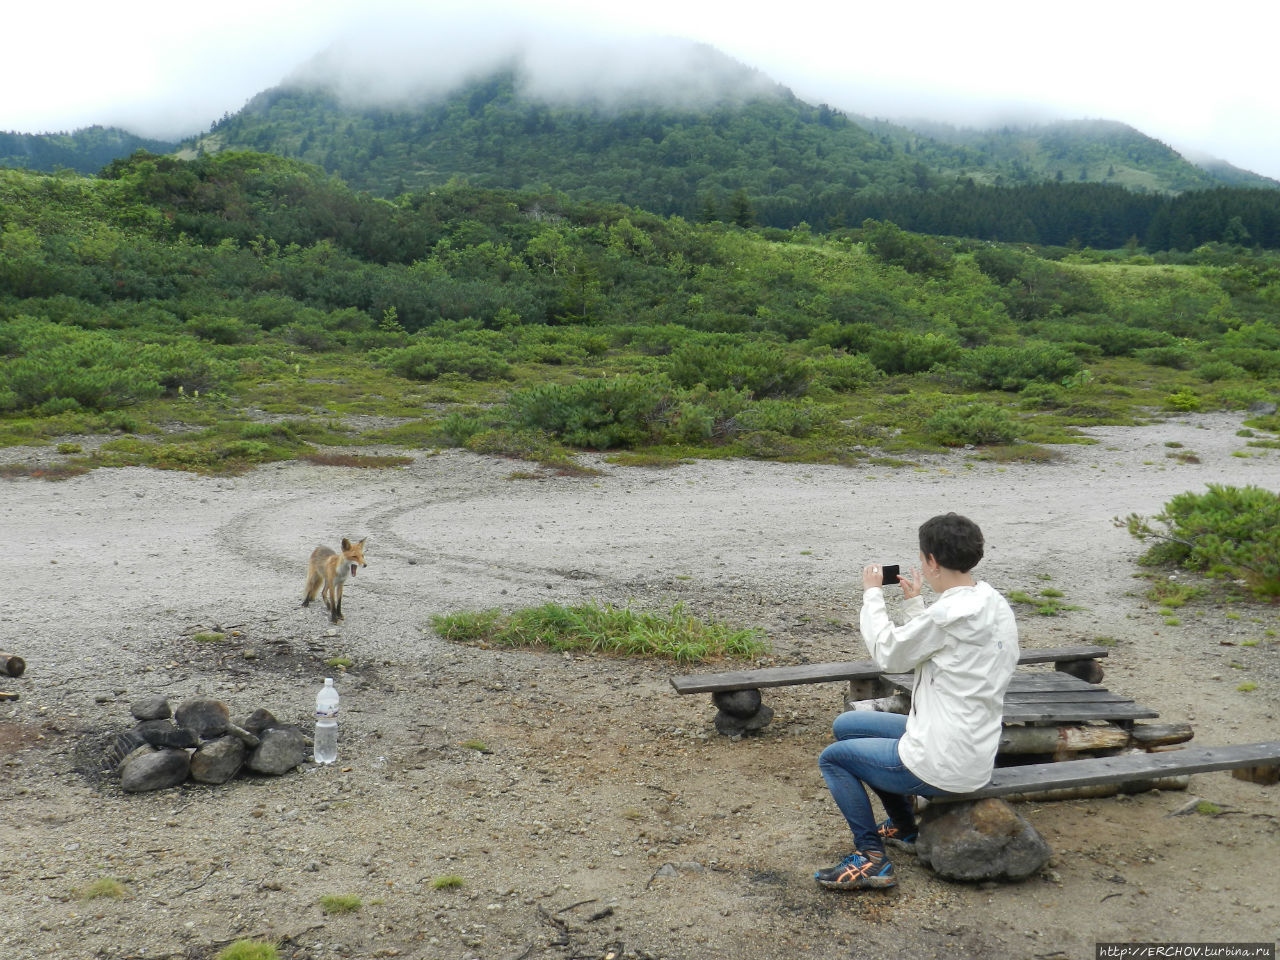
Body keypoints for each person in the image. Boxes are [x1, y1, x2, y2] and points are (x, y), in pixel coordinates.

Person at [814, 512, 1019, 890]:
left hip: (944, 761)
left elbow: (889, 654)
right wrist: (914, 605)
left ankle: (872, 857)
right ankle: (906, 829)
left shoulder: (946, 615)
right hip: (970, 744)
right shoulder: (991, 602)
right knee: (847, 727)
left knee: (834, 759)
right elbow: (943, 644)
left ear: (931, 561)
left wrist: (872, 593)